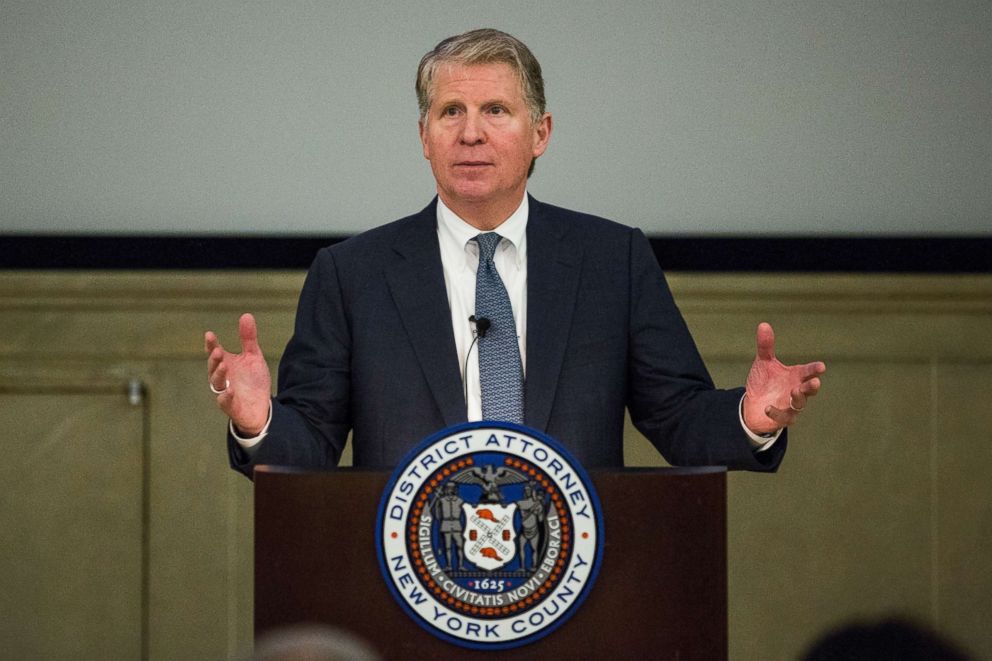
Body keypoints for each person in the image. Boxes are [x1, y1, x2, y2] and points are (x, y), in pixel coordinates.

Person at [205, 28, 825, 478]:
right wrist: (260, 420)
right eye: (451, 112)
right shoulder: (351, 275)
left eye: (495, 110)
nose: (470, 132)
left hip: (575, 576)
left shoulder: (613, 261)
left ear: (540, 134)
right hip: (407, 579)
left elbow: (681, 419)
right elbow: (307, 447)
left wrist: (750, 417)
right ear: (424, 137)